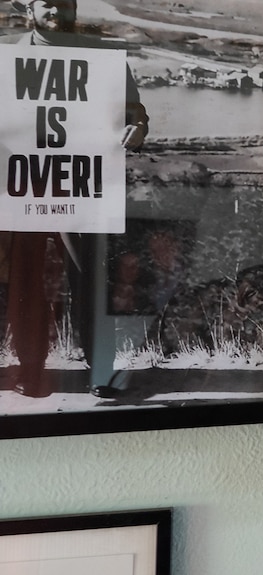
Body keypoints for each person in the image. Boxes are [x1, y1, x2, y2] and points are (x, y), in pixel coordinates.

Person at [1, 0, 149, 396]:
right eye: (46, 1)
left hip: (82, 186)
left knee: (89, 279)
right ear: (29, 8)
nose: (56, 8)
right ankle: (30, 371)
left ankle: (100, 370)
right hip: (24, 185)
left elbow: (136, 115)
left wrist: (135, 130)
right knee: (26, 281)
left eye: (64, 1)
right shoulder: (6, 58)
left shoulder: (102, 59)